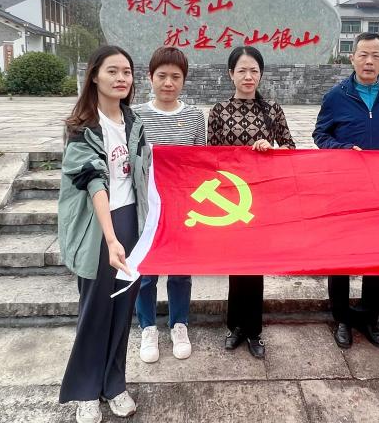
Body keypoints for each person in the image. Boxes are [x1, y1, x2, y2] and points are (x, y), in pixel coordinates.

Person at [58, 45, 148, 423]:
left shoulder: (134, 122)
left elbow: (144, 173)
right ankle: (85, 391)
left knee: (123, 309)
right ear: (94, 75)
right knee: (96, 309)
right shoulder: (82, 127)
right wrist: (111, 239)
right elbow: (94, 182)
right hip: (99, 227)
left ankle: (114, 384)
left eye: (126, 71)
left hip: (130, 220)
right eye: (112, 71)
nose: (121, 78)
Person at [312, 32, 379, 350]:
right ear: (352, 57)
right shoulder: (336, 96)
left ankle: (370, 318)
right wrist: (343, 149)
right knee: (341, 256)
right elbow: (320, 134)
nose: (369, 61)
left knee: (377, 257)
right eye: (363, 55)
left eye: (376, 55)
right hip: (344, 188)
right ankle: (341, 318)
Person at [208, 46, 296, 359]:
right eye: (242, 70)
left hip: (263, 198)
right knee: (236, 265)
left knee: (256, 265)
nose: (248, 76)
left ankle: (254, 330)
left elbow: (291, 149)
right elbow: (211, 156)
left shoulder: (272, 109)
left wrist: (271, 148)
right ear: (231, 74)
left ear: (261, 74)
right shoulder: (219, 111)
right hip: (232, 198)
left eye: (254, 71)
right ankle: (235, 327)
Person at [133, 47, 206, 364]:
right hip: (146, 208)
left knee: (180, 271)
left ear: (183, 80)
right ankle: (148, 327)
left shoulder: (195, 117)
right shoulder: (134, 115)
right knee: (146, 272)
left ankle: (179, 324)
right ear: (150, 77)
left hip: (182, 208)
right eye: (161, 76)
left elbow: (201, 163)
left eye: (175, 77)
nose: (168, 83)